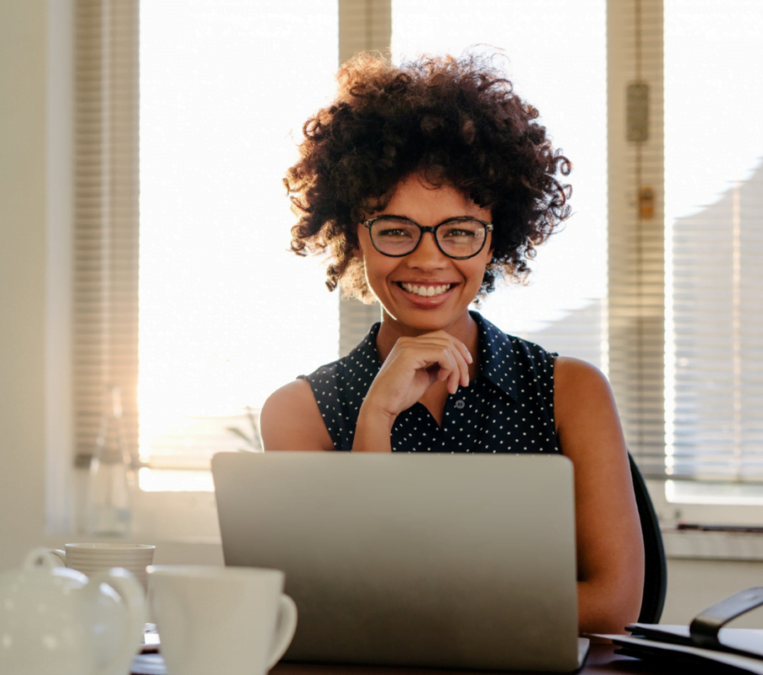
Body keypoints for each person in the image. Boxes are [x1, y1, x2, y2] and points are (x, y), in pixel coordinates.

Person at [260, 53, 644, 636]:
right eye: (395, 229)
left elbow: (613, 603)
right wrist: (376, 419)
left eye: (459, 231)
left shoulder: (572, 392)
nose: (428, 258)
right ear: (354, 238)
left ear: (496, 241)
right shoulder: (298, 413)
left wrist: (422, 610)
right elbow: (335, 597)